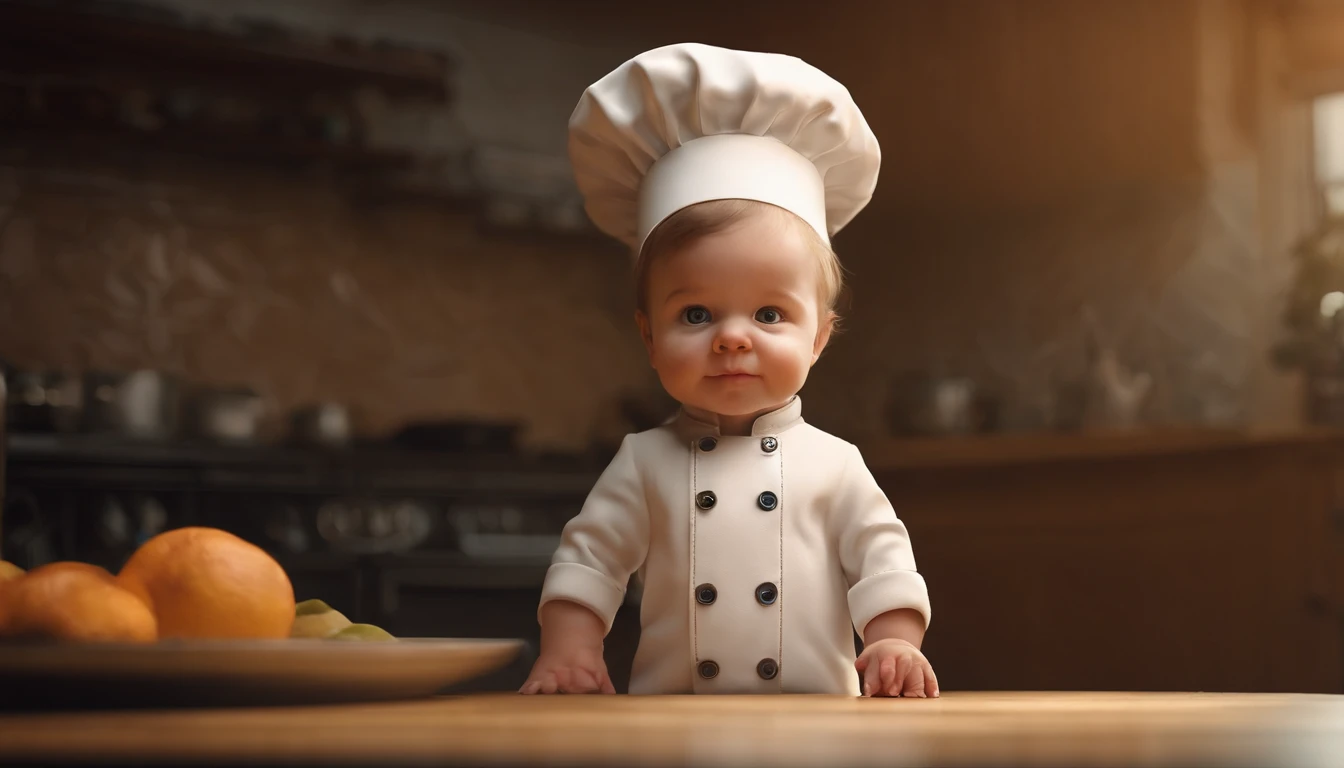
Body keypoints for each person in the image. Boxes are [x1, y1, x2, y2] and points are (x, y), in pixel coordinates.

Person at [520, 43, 937, 698]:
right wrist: (571, 650)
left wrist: (891, 641)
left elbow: (883, 564)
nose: (732, 339)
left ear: (820, 338)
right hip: (669, 727)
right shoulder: (641, 462)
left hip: (820, 731)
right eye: (695, 316)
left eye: (770, 313)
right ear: (649, 337)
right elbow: (588, 564)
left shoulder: (837, 464)